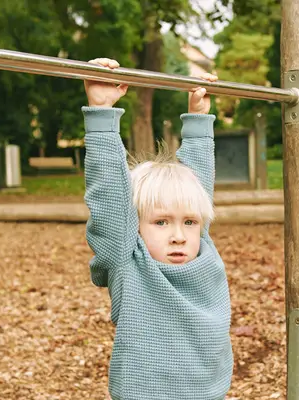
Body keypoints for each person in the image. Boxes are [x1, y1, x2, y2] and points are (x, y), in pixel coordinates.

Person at [81, 58, 233, 400]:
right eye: (161, 222)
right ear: (134, 225)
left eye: (189, 222)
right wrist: (102, 113)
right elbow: (108, 197)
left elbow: (198, 187)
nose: (178, 234)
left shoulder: (202, 248)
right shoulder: (127, 259)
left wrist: (198, 117)